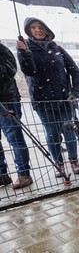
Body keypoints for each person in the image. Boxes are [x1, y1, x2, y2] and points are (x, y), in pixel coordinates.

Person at [16, 18, 79, 177]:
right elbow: (29, 71)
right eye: (33, 28)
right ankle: (59, 164)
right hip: (43, 101)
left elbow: (74, 71)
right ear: (29, 31)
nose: (38, 30)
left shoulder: (57, 48)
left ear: (46, 29)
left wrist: (74, 92)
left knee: (69, 130)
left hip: (64, 99)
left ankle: (74, 161)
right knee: (52, 132)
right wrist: (25, 53)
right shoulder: (26, 48)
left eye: (40, 27)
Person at [0, 42, 33, 189]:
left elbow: (10, 69)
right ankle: (2, 175)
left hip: (6, 100)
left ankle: (24, 174)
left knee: (15, 138)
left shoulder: (2, 49)